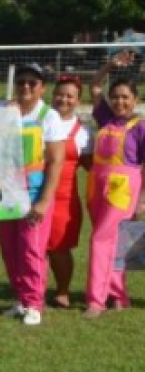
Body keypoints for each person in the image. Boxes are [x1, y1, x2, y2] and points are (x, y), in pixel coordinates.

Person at [0, 63, 65, 326]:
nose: (25, 86)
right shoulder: (5, 111)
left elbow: (56, 162)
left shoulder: (49, 117)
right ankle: (21, 299)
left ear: (42, 88)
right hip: (6, 194)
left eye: (32, 83)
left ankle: (34, 302)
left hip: (34, 195)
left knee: (31, 249)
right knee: (10, 249)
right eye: (22, 82)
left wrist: (44, 200)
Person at [83, 52, 145, 318]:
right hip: (97, 185)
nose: (120, 101)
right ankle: (119, 296)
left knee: (100, 239)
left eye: (125, 97)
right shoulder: (105, 119)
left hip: (124, 188)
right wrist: (110, 64)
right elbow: (95, 85)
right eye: (116, 96)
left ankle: (96, 300)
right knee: (117, 242)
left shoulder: (140, 127)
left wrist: (143, 199)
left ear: (135, 101)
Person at [46, 75, 92, 309]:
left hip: (64, 197)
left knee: (59, 248)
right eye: (60, 94)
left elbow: (92, 167)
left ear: (78, 100)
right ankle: (31, 288)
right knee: (31, 247)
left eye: (69, 96)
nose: (63, 99)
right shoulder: (39, 120)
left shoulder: (84, 133)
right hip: (34, 190)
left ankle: (62, 290)